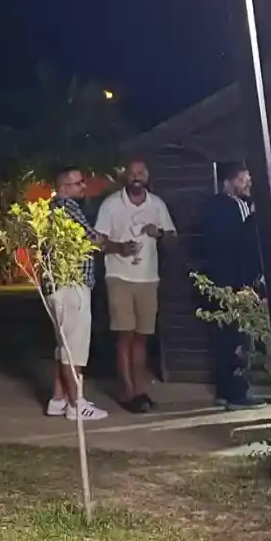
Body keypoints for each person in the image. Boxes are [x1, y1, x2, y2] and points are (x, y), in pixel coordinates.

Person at [95, 159, 177, 413]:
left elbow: (173, 238)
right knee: (125, 336)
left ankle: (140, 390)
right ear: (126, 177)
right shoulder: (111, 204)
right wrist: (119, 247)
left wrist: (159, 234)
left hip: (148, 278)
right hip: (119, 276)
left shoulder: (157, 204)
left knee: (141, 337)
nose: (136, 177)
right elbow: (98, 241)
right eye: (132, 173)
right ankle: (127, 391)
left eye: (141, 172)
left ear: (147, 175)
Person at [43, 165, 107, 423]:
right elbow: (92, 238)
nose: (84, 187)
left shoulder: (50, 209)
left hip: (56, 286)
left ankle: (58, 399)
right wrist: (107, 240)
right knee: (74, 349)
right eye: (78, 183)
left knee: (64, 345)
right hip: (72, 285)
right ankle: (76, 404)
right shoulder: (67, 206)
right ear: (64, 187)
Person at [204, 161, 260, 407]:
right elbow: (243, 245)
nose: (247, 184)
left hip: (219, 279)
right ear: (228, 182)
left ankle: (223, 390)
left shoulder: (212, 206)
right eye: (242, 180)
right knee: (237, 339)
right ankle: (236, 393)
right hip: (234, 281)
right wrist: (247, 282)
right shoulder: (234, 206)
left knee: (223, 337)